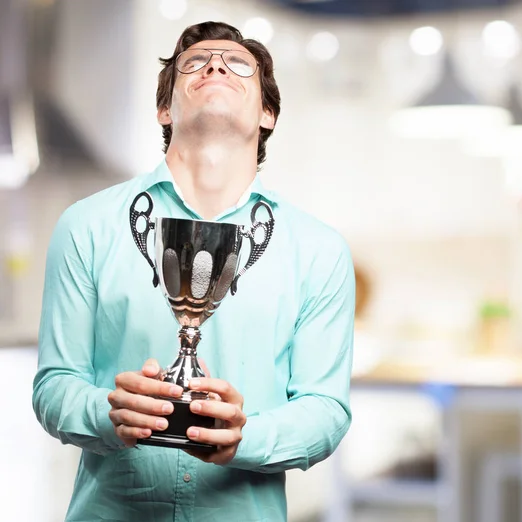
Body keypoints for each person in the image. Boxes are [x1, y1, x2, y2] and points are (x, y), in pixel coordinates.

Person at [33, 21, 355, 522]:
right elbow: (54, 385)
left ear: (267, 114)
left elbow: (326, 410)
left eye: (238, 64)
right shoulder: (87, 226)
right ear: (165, 108)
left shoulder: (319, 250)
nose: (216, 65)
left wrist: (244, 437)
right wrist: (108, 413)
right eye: (196, 62)